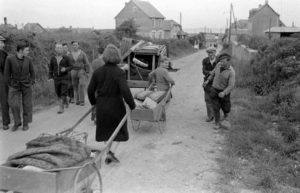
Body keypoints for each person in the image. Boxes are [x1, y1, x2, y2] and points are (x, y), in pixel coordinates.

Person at [87, 44, 135, 164]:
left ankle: (109, 153)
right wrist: (132, 104)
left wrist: (94, 103)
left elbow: (89, 90)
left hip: (102, 106)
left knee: (106, 131)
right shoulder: (119, 72)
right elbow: (125, 90)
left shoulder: (98, 72)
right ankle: (111, 153)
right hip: (116, 106)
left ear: (105, 56)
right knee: (120, 131)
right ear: (117, 57)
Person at [4, 42, 35, 131]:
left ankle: (25, 123)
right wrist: (10, 83)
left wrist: (32, 81)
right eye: (27, 50)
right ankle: (17, 122)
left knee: (27, 104)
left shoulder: (28, 59)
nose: (28, 52)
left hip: (26, 84)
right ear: (20, 50)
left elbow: (32, 72)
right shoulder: (10, 59)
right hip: (15, 85)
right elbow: (6, 74)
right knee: (14, 104)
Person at [203, 53, 235, 129]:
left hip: (224, 92)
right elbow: (213, 74)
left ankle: (226, 116)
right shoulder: (218, 65)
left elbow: (231, 85)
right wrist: (207, 81)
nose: (221, 63)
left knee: (226, 108)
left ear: (228, 62)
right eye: (220, 61)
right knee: (216, 107)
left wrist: (224, 92)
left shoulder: (231, 72)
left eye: (223, 61)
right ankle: (217, 123)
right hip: (214, 89)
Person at [49, 43, 73, 114]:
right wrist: (50, 77)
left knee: (63, 92)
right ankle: (66, 99)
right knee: (58, 93)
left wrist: (65, 69)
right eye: (57, 48)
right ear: (55, 49)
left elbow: (71, 66)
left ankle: (61, 107)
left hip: (64, 77)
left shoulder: (66, 57)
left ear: (62, 49)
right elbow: (51, 69)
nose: (59, 49)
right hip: (56, 78)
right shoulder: (53, 58)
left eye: (60, 48)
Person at [69, 41, 90, 106]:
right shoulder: (70, 54)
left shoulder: (82, 53)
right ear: (72, 46)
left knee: (81, 84)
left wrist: (87, 71)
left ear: (78, 46)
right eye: (73, 45)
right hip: (73, 71)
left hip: (81, 70)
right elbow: (67, 63)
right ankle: (77, 100)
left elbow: (86, 63)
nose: (75, 46)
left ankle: (82, 101)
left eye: (76, 45)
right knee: (75, 86)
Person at [202, 46, 217, 122]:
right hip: (207, 83)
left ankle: (216, 115)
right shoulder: (205, 60)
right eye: (209, 53)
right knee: (207, 99)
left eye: (212, 52)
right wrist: (210, 72)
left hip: (216, 83)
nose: (210, 54)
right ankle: (210, 116)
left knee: (215, 100)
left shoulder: (218, 61)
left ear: (215, 53)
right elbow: (204, 71)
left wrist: (212, 74)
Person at [0, 35, 10, 130]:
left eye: (3, 42)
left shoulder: (4, 54)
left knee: (4, 101)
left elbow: (6, 69)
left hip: (2, 79)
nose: (3, 44)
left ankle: (5, 123)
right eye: (1, 42)